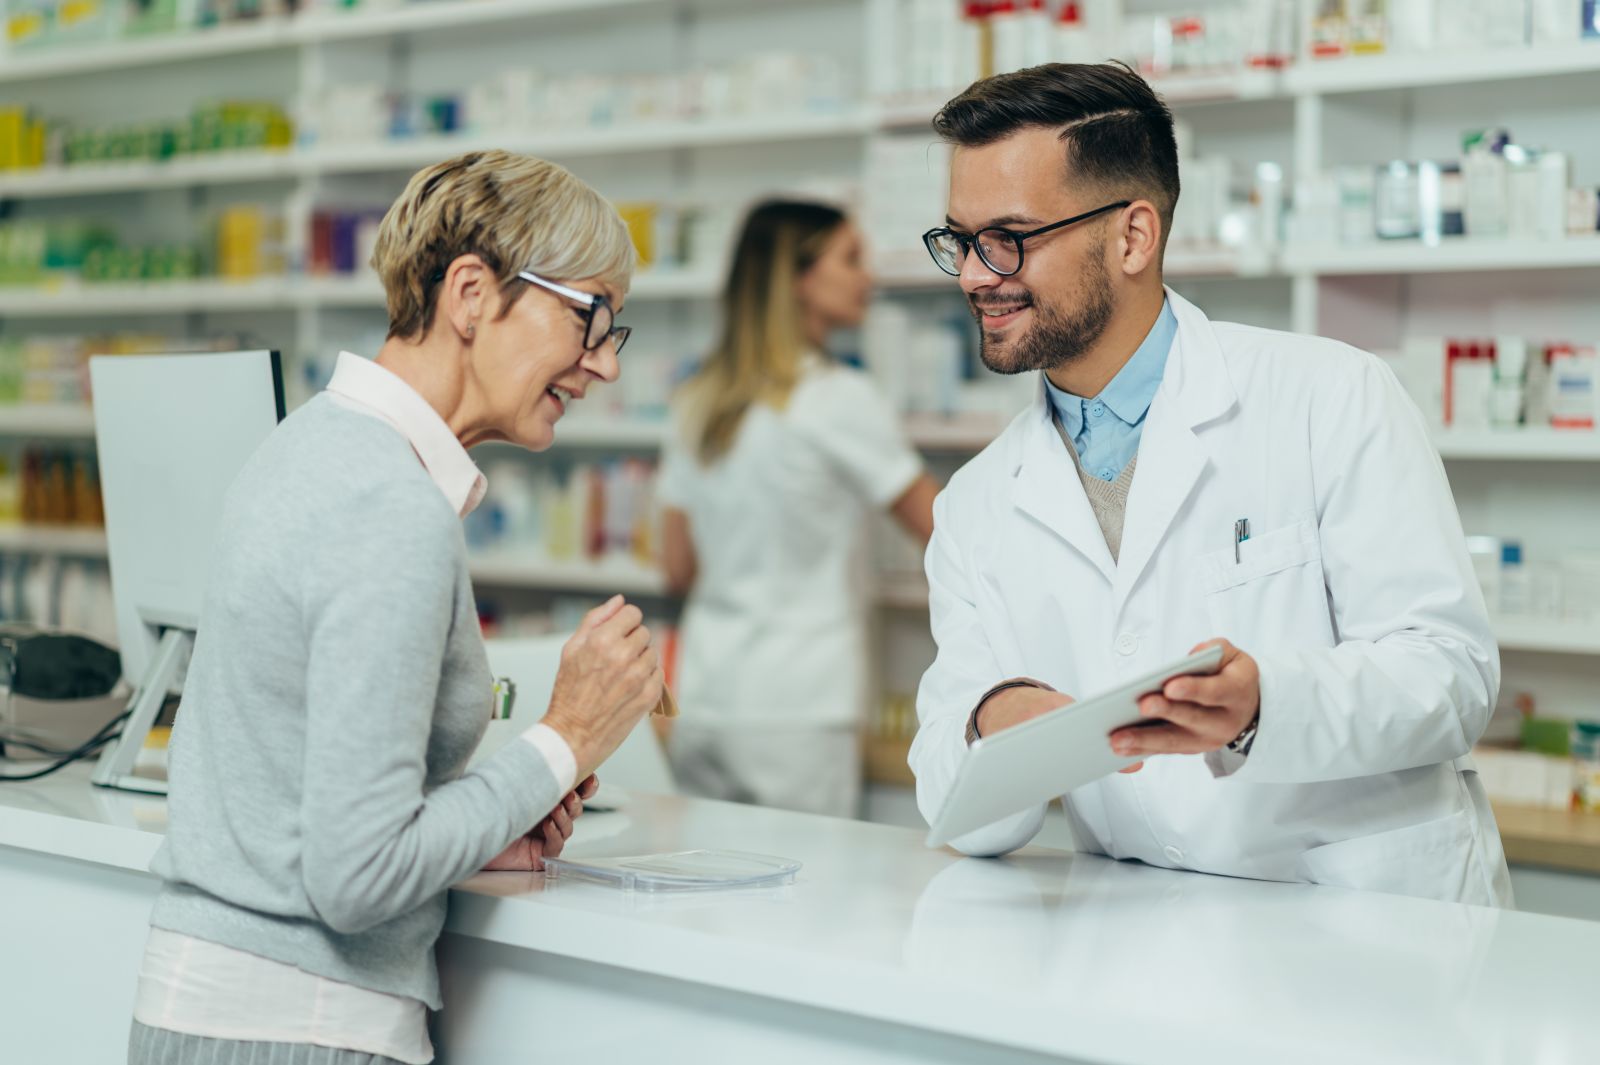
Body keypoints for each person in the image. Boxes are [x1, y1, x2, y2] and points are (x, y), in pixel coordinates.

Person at [909, 63, 1511, 906]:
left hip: (1371, 932)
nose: (974, 274)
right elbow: (954, 809)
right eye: (960, 240)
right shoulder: (975, 502)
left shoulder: (1329, 395)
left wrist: (1264, 702)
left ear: (1132, 236)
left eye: (1007, 237)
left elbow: (1451, 677)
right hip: (1149, 937)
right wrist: (994, 722)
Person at [128, 150, 664, 1065]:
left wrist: (483, 824)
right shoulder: (390, 508)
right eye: (591, 318)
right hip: (303, 1029)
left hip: (214, 1014)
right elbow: (358, 877)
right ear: (470, 293)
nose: (604, 365)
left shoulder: (311, 444)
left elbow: (315, 810)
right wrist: (565, 736)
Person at [657, 200, 939, 819]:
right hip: (799, 711)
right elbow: (944, 531)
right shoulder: (837, 397)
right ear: (798, 278)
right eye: (850, 258)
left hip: (704, 700)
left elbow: (675, 567)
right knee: (801, 905)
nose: (868, 276)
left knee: (704, 901)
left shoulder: (697, 400)